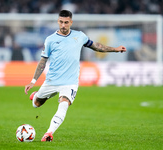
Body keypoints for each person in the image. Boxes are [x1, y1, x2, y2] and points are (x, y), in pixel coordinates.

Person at [24, 10, 127, 142]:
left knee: (64, 103)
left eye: (66, 22)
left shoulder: (80, 36)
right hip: (52, 80)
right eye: (61, 22)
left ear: (71, 22)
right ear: (58, 21)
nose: (63, 25)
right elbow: (43, 61)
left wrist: (115, 48)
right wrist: (33, 81)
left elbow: (96, 46)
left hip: (70, 82)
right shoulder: (50, 40)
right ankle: (36, 95)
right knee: (37, 104)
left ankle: (49, 133)